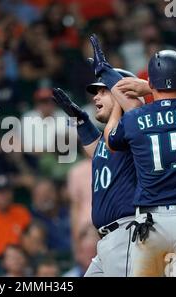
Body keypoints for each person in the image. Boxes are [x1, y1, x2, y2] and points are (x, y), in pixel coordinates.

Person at [91, 34, 176, 276]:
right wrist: (148, 87)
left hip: (151, 225)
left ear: (151, 83)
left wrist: (123, 96)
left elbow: (110, 139)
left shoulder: (135, 118)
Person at [52, 67, 141, 276]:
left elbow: (133, 115)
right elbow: (99, 150)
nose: (95, 97)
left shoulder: (136, 129)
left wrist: (123, 100)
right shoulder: (113, 137)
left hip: (127, 233)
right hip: (109, 239)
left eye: (103, 91)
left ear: (123, 93)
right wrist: (81, 121)